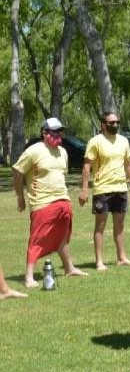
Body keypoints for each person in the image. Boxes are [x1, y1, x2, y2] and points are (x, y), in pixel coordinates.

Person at [13, 118, 88, 287]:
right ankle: (29, 277)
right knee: (37, 239)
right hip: (42, 203)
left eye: (60, 131)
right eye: (54, 131)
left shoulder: (63, 152)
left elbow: (61, 174)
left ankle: (69, 268)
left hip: (63, 200)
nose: (58, 135)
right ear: (44, 133)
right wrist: (20, 196)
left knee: (63, 237)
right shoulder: (34, 151)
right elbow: (17, 171)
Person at [79, 111, 130, 270]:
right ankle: (99, 261)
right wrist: (84, 189)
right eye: (111, 123)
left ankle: (122, 257)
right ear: (103, 125)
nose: (115, 125)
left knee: (119, 223)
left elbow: (128, 164)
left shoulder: (123, 141)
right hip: (102, 189)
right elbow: (86, 166)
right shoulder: (95, 142)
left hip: (120, 187)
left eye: (117, 122)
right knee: (100, 225)